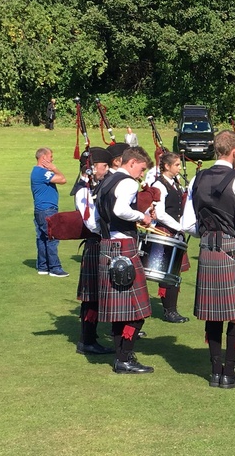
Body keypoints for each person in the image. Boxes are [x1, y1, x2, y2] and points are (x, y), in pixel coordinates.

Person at [182, 130, 235, 388]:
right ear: (234, 152)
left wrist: (207, 234)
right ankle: (229, 372)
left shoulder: (197, 178)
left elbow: (187, 224)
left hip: (207, 251)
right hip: (231, 249)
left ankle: (216, 372)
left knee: (213, 314)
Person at [96, 146, 155, 374]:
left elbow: (95, 218)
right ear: (131, 163)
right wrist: (142, 216)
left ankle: (122, 356)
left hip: (107, 245)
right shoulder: (128, 182)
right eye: (140, 169)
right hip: (124, 247)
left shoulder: (106, 181)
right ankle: (124, 358)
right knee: (137, 311)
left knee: (120, 311)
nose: (141, 175)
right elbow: (121, 210)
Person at [74, 147, 115, 355]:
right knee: (92, 295)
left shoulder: (96, 186)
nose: (107, 170)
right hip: (95, 244)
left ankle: (92, 336)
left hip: (102, 243)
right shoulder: (83, 190)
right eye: (104, 166)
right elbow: (91, 223)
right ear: (91, 167)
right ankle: (87, 340)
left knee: (99, 294)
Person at [151, 152, 191, 323]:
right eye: (176, 165)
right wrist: (179, 227)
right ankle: (169, 311)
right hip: (165, 231)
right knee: (168, 274)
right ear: (167, 166)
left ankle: (172, 309)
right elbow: (160, 213)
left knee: (174, 272)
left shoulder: (174, 183)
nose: (179, 168)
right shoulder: (159, 185)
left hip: (174, 231)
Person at [31, 147, 68, 277]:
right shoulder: (41, 172)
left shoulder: (35, 172)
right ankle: (55, 268)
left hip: (40, 209)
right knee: (52, 237)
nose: (52, 159)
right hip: (47, 210)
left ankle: (43, 266)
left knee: (42, 238)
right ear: (44, 158)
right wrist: (54, 168)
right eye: (51, 156)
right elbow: (63, 179)